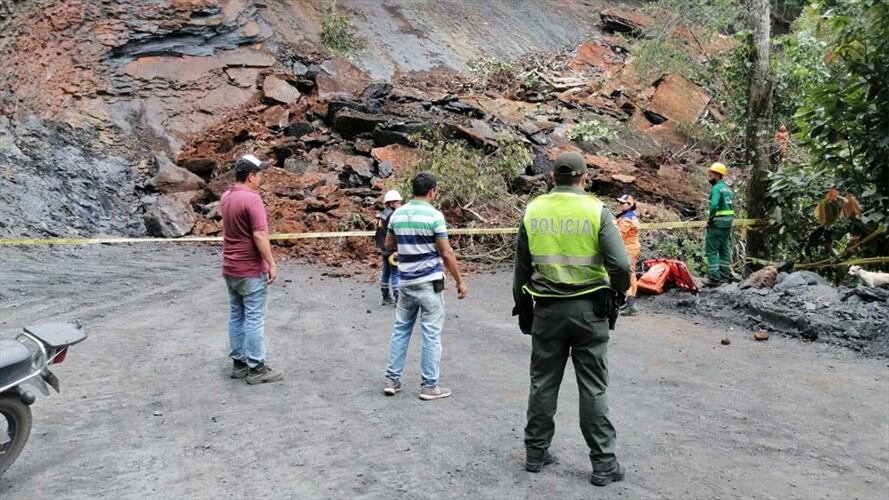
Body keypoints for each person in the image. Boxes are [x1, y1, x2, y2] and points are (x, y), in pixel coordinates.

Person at [512, 151, 631, 487]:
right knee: (593, 386)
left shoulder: (533, 210)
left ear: (552, 177)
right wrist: (618, 294)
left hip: (547, 312)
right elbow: (621, 265)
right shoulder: (596, 211)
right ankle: (604, 464)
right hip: (589, 312)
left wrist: (523, 306)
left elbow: (521, 267)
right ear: (584, 177)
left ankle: (535, 453)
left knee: (543, 382)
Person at [382, 172, 467, 401]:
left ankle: (392, 380)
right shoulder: (434, 216)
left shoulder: (397, 215)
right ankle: (429, 386)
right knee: (431, 334)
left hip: (406, 281)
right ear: (432, 191)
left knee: (401, 330)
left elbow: (389, 244)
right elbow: (446, 252)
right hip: (429, 283)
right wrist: (459, 280)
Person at [220, 154, 283, 385]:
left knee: (237, 314)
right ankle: (257, 368)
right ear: (250, 176)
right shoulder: (252, 199)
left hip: (230, 267)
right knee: (254, 318)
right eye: (259, 174)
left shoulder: (226, 196)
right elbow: (259, 234)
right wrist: (271, 263)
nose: (261, 179)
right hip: (249, 268)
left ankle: (239, 363)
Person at [704, 162, 734, 287]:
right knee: (724, 249)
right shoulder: (727, 188)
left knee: (711, 250)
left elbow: (715, 205)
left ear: (717, 175)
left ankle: (715, 277)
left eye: (711, 174)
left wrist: (710, 218)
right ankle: (724, 275)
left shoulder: (716, 188)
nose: (709, 176)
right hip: (728, 223)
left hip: (717, 223)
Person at [375, 190, 403, 305]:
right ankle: (397, 297)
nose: (400, 205)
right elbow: (395, 234)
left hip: (384, 249)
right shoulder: (393, 216)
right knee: (395, 272)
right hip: (392, 249)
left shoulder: (381, 215)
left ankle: (385, 296)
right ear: (391, 204)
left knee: (386, 271)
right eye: (398, 203)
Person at [615, 194, 641, 316]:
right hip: (632, 248)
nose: (620, 205)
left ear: (630, 205)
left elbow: (618, 236)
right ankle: (629, 302)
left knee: (627, 275)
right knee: (631, 274)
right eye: (619, 202)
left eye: (622, 203)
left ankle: (630, 303)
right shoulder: (628, 216)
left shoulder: (626, 220)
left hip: (628, 249)